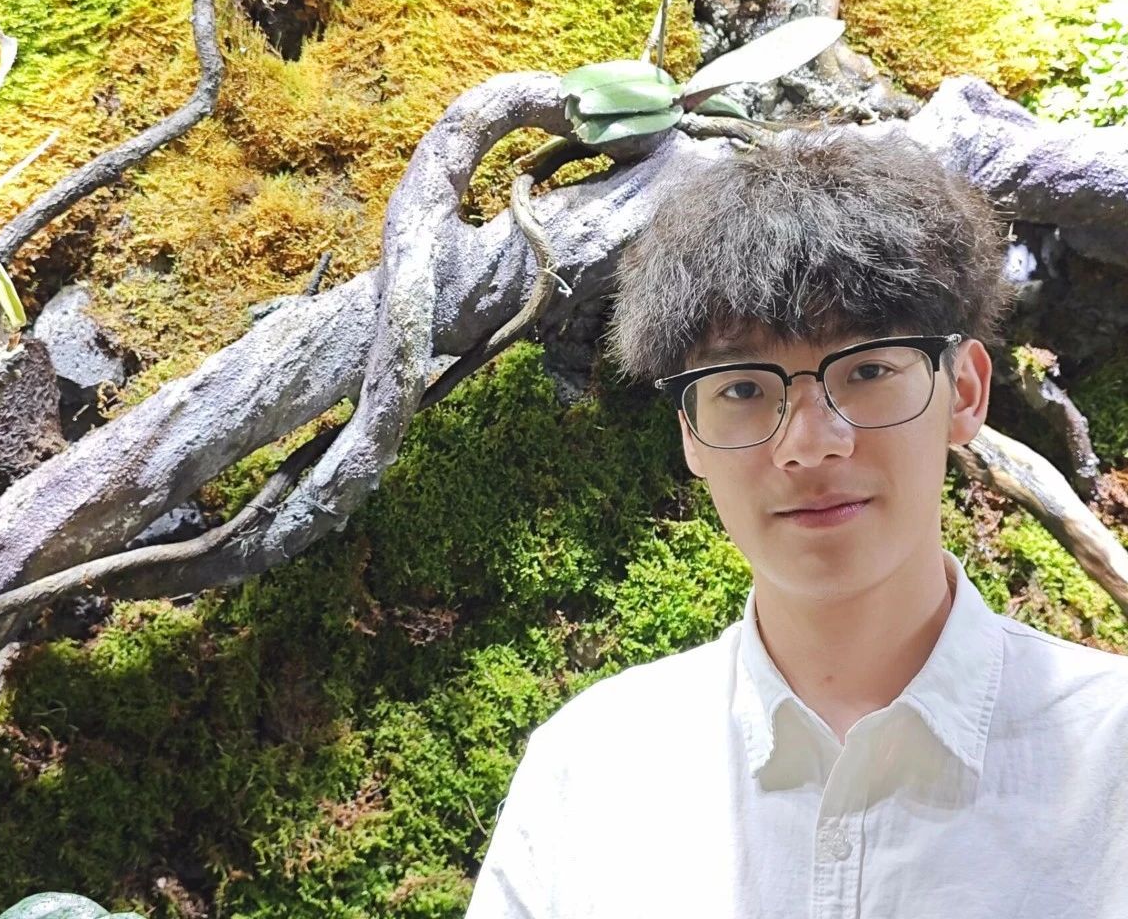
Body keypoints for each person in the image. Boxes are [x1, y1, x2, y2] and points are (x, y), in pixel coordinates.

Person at [463, 129, 1128, 918]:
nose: (809, 444)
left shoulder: (1110, 758)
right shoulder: (593, 769)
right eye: (743, 389)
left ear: (964, 392)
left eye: (868, 369)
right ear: (689, 431)